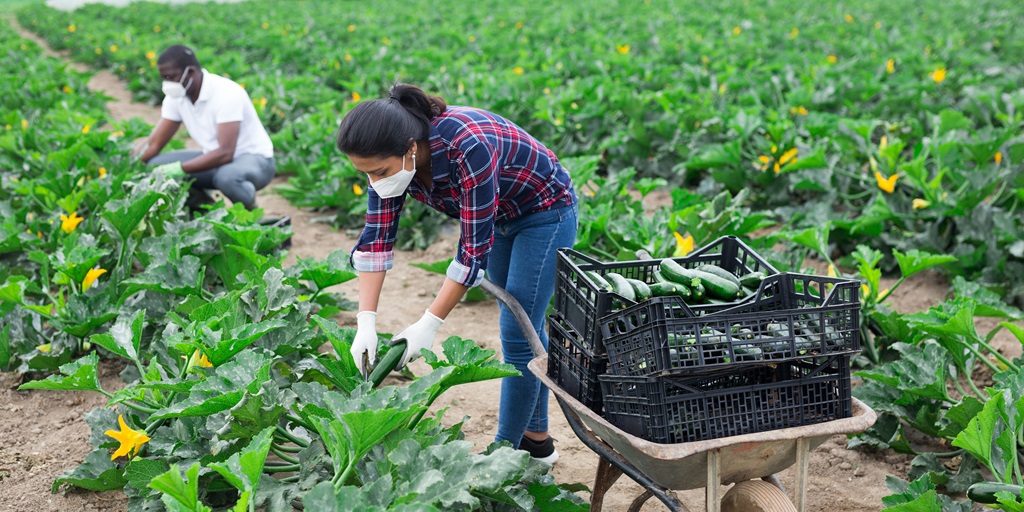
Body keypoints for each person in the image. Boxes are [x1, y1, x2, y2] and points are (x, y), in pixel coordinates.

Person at [338, 83, 577, 465]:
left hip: (545, 212)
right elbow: (377, 241)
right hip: (499, 217)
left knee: (519, 328)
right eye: (365, 174)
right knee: (521, 326)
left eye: (379, 172)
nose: (374, 182)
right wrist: (365, 322)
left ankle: (502, 455)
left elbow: (470, 253)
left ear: (411, 148)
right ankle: (537, 441)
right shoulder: (389, 164)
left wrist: (428, 324)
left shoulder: (468, 145)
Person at [134, 44, 276, 211]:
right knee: (154, 166)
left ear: (191, 72)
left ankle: (252, 214)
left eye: (171, 77)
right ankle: (206, 210)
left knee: (227, 178)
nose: (167, 83)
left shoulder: (226, 93)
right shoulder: (176, 97)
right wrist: (132, 164)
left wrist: (179, 169)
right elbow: (155, 143)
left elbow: (225, 152)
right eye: (164, 77)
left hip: (254, 159)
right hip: (214, 158)